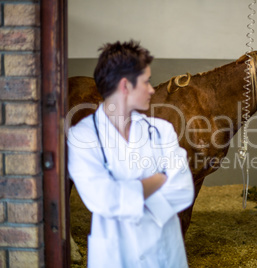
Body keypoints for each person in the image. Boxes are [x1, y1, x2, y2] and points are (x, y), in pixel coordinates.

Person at [67, 40, 194, 268]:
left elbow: (183, 191)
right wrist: (160, 179)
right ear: (125, 86)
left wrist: (124, 194)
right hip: (115, 256)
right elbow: (102, 199)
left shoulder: (162, 131)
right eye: (146, 82)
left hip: (165, 254)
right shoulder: (81, 137)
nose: (153, 90)